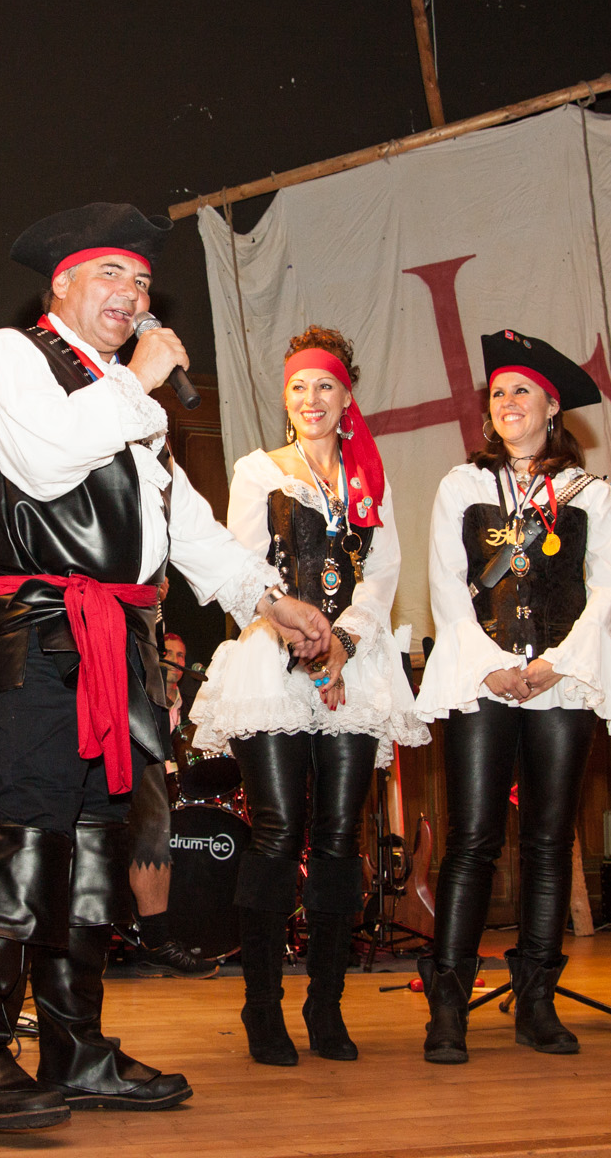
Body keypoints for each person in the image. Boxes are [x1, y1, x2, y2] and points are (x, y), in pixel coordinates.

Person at [0, 201, 334, 1131]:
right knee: (29, 833)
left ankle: (74, 1048)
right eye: (111, 274)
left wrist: (270, 598)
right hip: (39, 626)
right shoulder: (10, 357)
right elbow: (46, 462)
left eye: (144, 281)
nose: (132, 293)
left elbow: (180, 522)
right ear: (62, 285)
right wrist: (139, 380)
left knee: (95, 844)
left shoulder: (126, 398)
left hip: (119, 636)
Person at [189, 325, 429, 1065]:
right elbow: (243, 569)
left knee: (339, 838)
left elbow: (381, 575)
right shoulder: (258, 470)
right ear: (285, 397)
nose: (311, 398)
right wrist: (299, 636)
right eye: (298, 386)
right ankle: (262, 1005)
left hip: (353, 670)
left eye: (324, 385)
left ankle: (326, 1004)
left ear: (346, 396)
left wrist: (344, 643)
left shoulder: (369, 482)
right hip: (272, 660)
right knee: (276, 830)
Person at [412, 329, 611, 1064]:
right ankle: (448, 1005)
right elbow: (447, 583)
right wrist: (490, 666)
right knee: (473, 841)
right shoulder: (461, 486)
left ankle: (538, 1002)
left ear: (552, 407)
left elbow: (607, 587)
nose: (508, 402)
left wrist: (557, 663)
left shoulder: (590, 494)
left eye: (522, 391)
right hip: (481, 677)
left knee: (550, 841)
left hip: (562, 679)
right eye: (498, 393)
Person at [127, 629, 220, 979]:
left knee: (152, 827)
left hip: (154, 752)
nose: (175, 661)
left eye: (181, 656)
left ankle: (154, 941)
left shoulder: (192, 700)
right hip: (122, 715)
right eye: (170, 654)